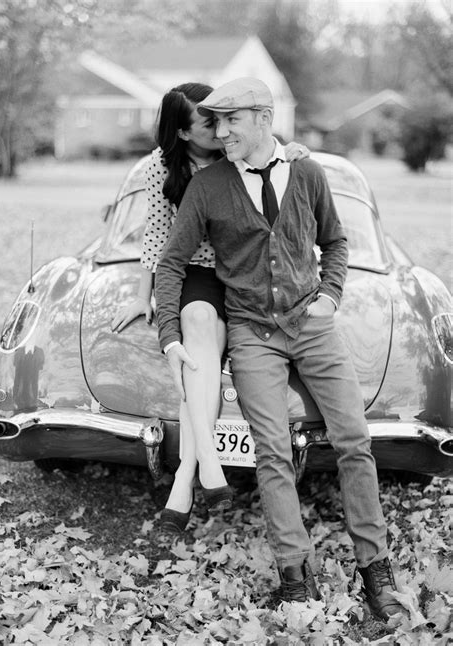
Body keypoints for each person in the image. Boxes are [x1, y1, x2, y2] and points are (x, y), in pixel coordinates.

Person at [154, 78, 406, 619]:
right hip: (251, 333)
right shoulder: (207, 186)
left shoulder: (308, 171)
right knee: (272, 453)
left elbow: (335, 240)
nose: (221, 133)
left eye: (232, 121)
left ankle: (375, 570)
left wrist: (331, 296)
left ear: (264, 118)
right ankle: (295, 576)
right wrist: (170, 336)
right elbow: (172, 262)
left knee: (354, 440)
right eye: (214, 122)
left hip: (312, 325)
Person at [111, 82, 310, 533]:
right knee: (195, 324)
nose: (219, 128)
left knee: (196, 357)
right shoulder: (161, 169)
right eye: (207, 122)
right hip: (195, 274)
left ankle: (185, 477)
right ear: (182, 134)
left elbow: (274, 165)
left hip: (243, 269)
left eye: (222, 119)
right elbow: (157, 241)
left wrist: (295, 151)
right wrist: (143, 295)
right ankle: (207, 464)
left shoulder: (236, 154)